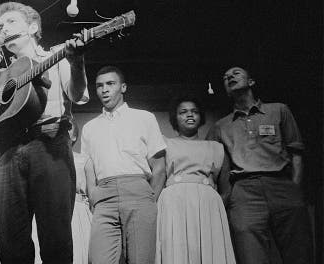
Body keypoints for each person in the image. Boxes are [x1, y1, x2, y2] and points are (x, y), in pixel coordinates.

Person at [0, 1, 89, 264]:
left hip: (50, 144)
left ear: (33, 27)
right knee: (11, 244)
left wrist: (77, 62)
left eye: (11, 22)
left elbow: (78, 96)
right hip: (8, 152)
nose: (3, 27)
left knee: (56, 240)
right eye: (0, 25)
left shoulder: (57, 57)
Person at [207, 66, 313, 264]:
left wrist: (295, 189)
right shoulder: (220, 126)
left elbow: (296, 153)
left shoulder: (279, 110)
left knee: (299, 252)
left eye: (236, 73)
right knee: (250, 255)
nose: (230, 76)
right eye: (225, 77)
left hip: (282, 186)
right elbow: (214, 165)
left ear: (251, 81)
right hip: (244, 192)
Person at [81, 65, 166, 264]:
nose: (104, 89)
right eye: (99, 85)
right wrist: (94, 195)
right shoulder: (89, 128)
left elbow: (160, 166)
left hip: (138, 193)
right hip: (104, 197)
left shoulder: (144, 118)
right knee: (99, 259)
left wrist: (149, 199)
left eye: (110, 84)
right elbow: (89, 166)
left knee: (140, 260)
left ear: (123, 87)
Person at [155, 97, 236, 264]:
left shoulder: (216, 147)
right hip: (173, 204)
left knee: (207, 250)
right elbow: (158, 175)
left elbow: (226, 187)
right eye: (183, 112)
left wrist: (214, 206)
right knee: (177, 247)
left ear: (201, 117)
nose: (189, 115)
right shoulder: (164, 143)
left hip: (207, 205)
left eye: (194, 111)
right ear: (175, 118)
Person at [31, 120, 93, 264]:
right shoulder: (41, 159)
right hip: (47, 209)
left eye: (68, 129)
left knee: (76, 252)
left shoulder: (84, 160)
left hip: (76, 212)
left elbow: (92, 192)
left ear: (74, 136)